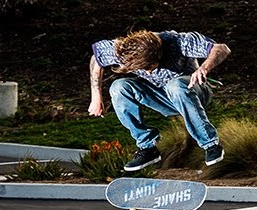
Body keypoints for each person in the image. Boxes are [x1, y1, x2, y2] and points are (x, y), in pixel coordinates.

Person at [88, 30, 231, 172]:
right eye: (142, 69)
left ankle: (210, 145)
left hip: (192, 93)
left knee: (175, 86)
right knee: (118, 87)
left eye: (150, 67)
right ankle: (147, 148)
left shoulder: (179, 42)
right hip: (162, 97)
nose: (148, 72)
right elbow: (96, 58)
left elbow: (221, 48)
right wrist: (96, 96)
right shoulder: (123, 50)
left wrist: (203, 69)